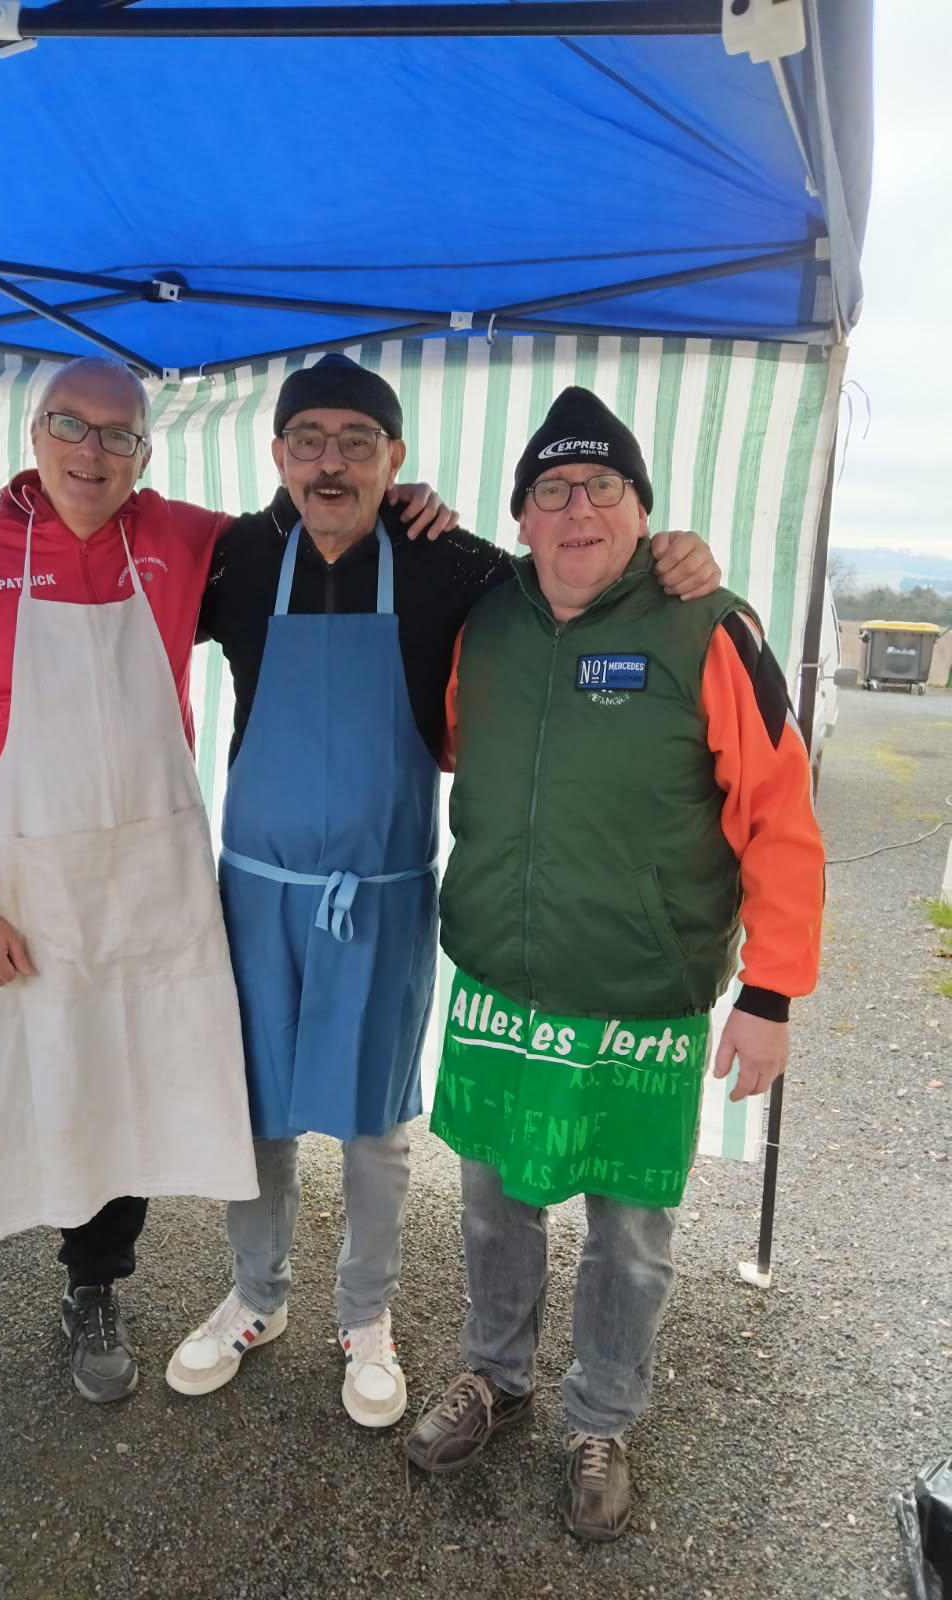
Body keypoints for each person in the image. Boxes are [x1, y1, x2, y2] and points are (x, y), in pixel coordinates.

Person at [165, 356, 722, 1430]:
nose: (333, 462)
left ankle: (365, 1317)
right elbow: (117, 586)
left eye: (358, 442)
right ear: (276, 452)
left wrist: (671, 554)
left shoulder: (449, 564)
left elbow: (577, 578)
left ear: (397, 459)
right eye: (310, 439)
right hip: (257, 890)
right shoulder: (232, 557)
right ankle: (254, 1294)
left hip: (382, 893)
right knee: (256, 1111)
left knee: (376, 1123)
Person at [403, 387, 825, 1540]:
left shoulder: (710, 624)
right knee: (493, 1202)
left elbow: (782, 817)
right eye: (553, 488)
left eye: (604, 488)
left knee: (628, 1232)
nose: (577, 509)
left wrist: (773, 991)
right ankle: (494, 1372)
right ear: (523, 515)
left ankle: (601, 1415)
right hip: (501, 985)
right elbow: (452, 745)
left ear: (644, 512)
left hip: (644, 999)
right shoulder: (484, 622)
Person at [0, 357, 270, 1484]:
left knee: (117, 1089)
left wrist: (421, 512)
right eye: (72, 427)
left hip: (143, 898)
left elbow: (324, 535)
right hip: (12, 911)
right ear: (34, 432)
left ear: (147, 452)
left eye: (120, 435)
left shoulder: (185, 542)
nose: (94, 453)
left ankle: (96, 1293)